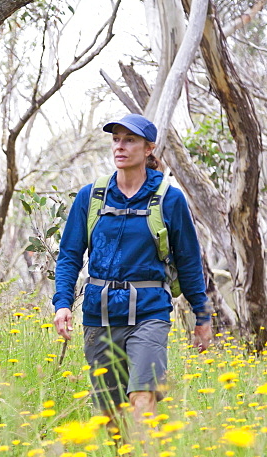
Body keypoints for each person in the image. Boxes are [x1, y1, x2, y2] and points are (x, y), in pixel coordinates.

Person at [52, 113, 213, 429]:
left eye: (130, 140)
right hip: (99, 314)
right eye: (116, 140)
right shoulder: (91, 196)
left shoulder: (169, 198)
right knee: (110, 411)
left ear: (149, 148)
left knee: (142, 394)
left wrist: (202, 316)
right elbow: (69, 256)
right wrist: (62, 304)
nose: (120, 147)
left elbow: (190, 261)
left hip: (149, 312)